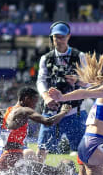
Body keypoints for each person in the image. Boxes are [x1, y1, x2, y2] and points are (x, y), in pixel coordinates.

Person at [36, 21, 88, 162]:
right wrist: (46, 97)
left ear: (68, 36)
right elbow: (41, 81)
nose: (59, 40)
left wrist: (77, 81)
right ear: (52, 38)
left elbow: (89, 83)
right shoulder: (45, 58)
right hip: (52, 110)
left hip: (75, 111)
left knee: (85, 150)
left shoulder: (80, 56)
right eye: (55, 37)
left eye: (62, 37)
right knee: (42, 149)